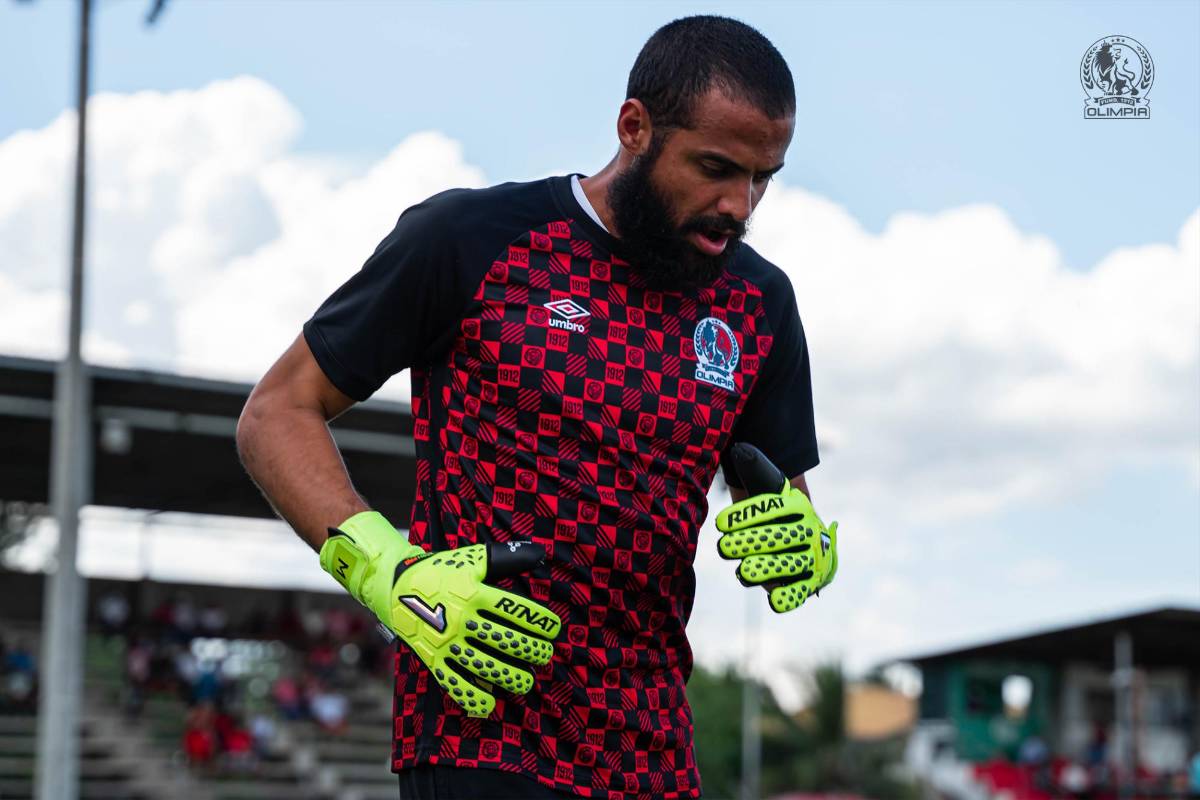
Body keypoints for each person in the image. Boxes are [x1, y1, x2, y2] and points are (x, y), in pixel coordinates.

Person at [237, 15, 838, 800]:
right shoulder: (470, 238)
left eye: (763, 178)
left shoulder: (759, 301)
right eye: (716, 168)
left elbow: (783, 499)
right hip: (479, 733)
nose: (739, 203)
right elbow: (277, 413)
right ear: (634, 128)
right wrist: (386, 568)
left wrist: (802, 542)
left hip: (654, 753)